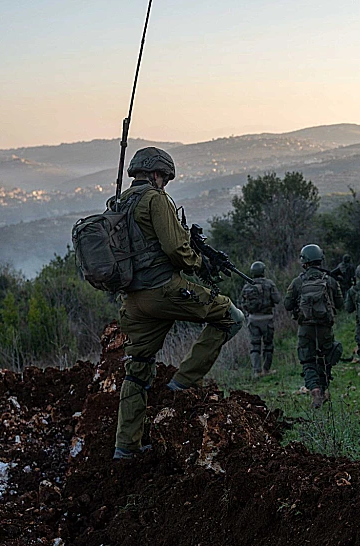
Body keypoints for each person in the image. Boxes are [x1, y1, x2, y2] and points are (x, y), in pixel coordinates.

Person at [113, 147, 245, 460]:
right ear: (157, 174)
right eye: (166, 178)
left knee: (138, 369)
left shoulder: (120, 203)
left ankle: (126, 448)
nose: (166, 184)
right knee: (231, 317)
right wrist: (201, 264)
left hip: (132, 301)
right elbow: (176, 250)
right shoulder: (155, 199)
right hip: (164, 291)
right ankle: (183, 384)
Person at [284, 244, 344, 408]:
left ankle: (315, 391)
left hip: (305, 328)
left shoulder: (297, 282)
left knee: (308, 360)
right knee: (325, 358)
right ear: (320, 259)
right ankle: (324, 390)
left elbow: (287, 304)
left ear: (304, 261)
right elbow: (340, 303)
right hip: (325, 328)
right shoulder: (330, 280)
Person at [239, 260, 282, 377]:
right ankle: (266, 370)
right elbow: (277, 299)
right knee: (268, 345)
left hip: (252, 319)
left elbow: (242, 303)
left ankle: (256, 371)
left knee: (255, 346)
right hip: (267, 319)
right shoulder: (269, 284)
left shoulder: (247, 286)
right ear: (263, 271)